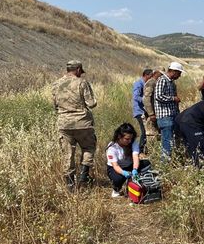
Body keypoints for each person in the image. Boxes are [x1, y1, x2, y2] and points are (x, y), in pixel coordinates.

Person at [51, 60, 97, 190]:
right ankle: (84, 176)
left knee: (68, 153)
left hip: (64, 123)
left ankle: (70, 184)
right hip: (83, 123)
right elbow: (92, 103)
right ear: (78, 70)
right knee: (88, 148)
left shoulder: (56, 84)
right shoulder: (82, 82)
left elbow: (55, 105)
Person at [106, 123, 148, 198]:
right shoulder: (112, 148)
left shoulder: (133, 143)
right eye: (127, 139)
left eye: (131, 138)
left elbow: (135, 157)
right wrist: (124, 173)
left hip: (130, 165)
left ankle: (137, 184)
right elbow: (115, 166)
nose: (129, 141)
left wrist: (135, 169)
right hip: (116, 168)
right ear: (119, 137)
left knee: (146, 164)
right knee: (118, 178)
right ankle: (116, 190)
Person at [154, 62, 183, 160]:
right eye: (179, 73)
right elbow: (158, 96)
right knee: (167, 141)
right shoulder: (162, 80)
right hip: (165, 116)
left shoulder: (171, 82)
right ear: (174, 72)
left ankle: (170, 161)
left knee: (171, 141)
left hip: (171, 115)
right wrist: (173, 98)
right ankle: (165, 164)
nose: (180, 76)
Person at [133, 68, 155, 153]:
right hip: (140, 111)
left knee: (147, 130)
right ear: (146, 75)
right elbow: (135, 97)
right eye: (151, 76)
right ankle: (141, 150)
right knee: (144, 131)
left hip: (144, 111)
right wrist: (146, 100)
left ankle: (144, 149)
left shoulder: (146, 84)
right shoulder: (139, 84)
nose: (152, 78)